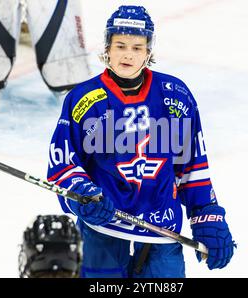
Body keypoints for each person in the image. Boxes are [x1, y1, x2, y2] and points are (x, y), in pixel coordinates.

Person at [47, 5, 235, 278]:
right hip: (104, 225)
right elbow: (63, 163)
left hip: (162, 229)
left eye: (137, 47)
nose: (127, 54)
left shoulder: (176, 96)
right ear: (107, 48)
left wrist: (206, 213)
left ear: (149, 51)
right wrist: (83, 195)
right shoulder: (84, 99)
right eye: (120, 45)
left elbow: (191, 164)